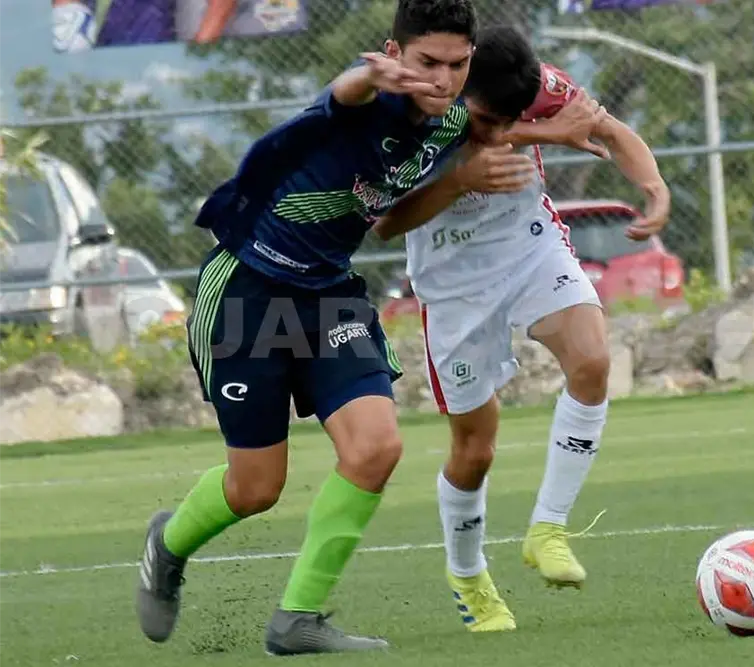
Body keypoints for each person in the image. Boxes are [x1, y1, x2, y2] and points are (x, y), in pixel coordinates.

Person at [131, 0, 543, 655]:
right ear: (395, 53)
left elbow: (389, 219)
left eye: (456, 64)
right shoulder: (368, 98)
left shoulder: (453, 120)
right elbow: (342, 93)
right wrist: (367, 77)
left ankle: (298, 617)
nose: (441, 78)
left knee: (376, 447)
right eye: (425, 62)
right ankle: (168, 541)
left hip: (328, 297)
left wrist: (568, 137)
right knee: (254, 489)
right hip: (249, 289)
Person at [374, 25, 671, 633]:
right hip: (452, 287)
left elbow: (610, 130)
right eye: (485, 116)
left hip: (529, 248)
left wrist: (655, 188)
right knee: (475, 448)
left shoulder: (530, 82)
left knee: (592, 361)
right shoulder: (411, 109)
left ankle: (549, 528)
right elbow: (387, 221)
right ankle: (467, 574)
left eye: (510, 115)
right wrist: (542, 136)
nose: (494, 125)